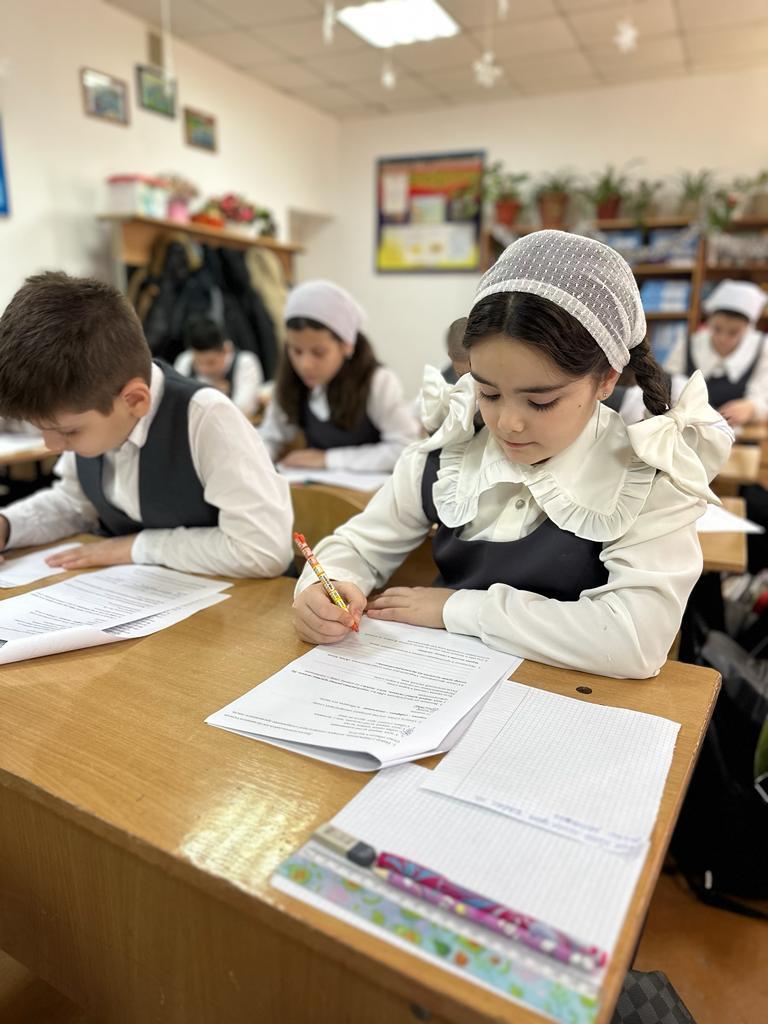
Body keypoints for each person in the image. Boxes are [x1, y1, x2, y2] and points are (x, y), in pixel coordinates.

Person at [292, 231, 733, 679]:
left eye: (541, 401)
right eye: (488, 392)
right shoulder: (450, 453)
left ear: (606, 379)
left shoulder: (646, 479)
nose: (507, 424)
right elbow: (359, 545)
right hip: (433, 683)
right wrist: (327, 586)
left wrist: (457, 608)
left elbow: (633, 640)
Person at [0, 272, 293, 578]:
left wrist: (136, 548)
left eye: (68, 431)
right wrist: (8, 526)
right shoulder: (91, 411)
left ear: (135, 400)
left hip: (245, 600)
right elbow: (76, 504)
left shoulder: (207, 418)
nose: (51, 445)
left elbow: (264, 550)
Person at [259, 280, 419, 471]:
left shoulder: (378, 382)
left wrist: (328, 459)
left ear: (346, 346)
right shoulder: (291, 381)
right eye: (296, 351)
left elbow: (405, 448)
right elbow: (269, 436)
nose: (305, 365)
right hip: (317, 486)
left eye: (318, 353)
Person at [667, 279, 768, 426]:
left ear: (748, 329)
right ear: (709, 322)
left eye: (733, 332)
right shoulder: (689, 344)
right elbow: (667, 384)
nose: (723, 338)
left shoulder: (762, 347)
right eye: (717, 329)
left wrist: (751, 408)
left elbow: (762, 398)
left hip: (739, 432)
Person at [174, 315, 263, 419]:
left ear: (226, 350)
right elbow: (177, 403)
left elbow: (244, 408)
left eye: (211, 362)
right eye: (198, 362)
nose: (204, 369)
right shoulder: (185, 361)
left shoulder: (245, 362)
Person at [442, 317, 470, 384]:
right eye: (462, 376)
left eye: (474, 375)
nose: (469, 383)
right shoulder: (444, 384)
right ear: (450, 356)